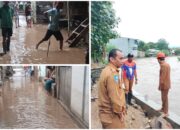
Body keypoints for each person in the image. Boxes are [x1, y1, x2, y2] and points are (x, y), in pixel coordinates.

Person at [98, 49, 126, 129]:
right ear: (112, 59)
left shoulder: (106, 70)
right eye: (120, 58)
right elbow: (115, 97)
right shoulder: (113, 74)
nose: (123, 61)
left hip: (106, 115)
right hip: (112, 116)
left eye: (123, 58)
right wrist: (120, 113)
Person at [157, 52, 171, 117]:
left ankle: (166, 112)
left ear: (159, 59)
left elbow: (162, 77)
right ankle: (163, 109)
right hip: (167, 84)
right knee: (164, 97)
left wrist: (159, 85)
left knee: (164, 98)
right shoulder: (167, 64)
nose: (157, 61)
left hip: (164, 85)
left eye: (157, 59)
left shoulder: (163, 65)